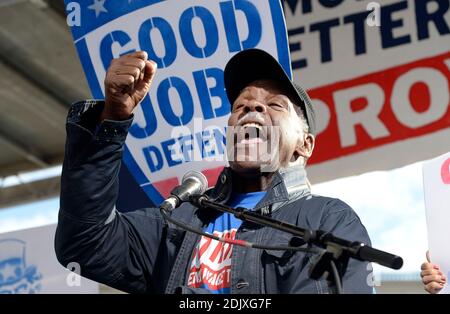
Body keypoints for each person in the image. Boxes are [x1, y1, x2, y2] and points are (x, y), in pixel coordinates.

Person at [55, 48, 373, 294]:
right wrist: (111, 120)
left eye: (275, 105)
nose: (252, 106)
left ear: (304, 145)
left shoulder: (327, 220)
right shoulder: (178, 219)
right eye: (239, 106)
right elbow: (85, 243)